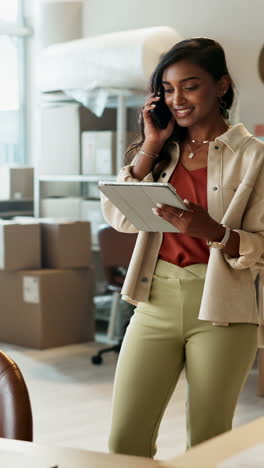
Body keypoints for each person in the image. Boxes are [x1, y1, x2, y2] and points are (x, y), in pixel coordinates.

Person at [101, 37, 264, 458]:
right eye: (168, 89)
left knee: (206, 443)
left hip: (222, 310)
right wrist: (150, 146)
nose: (178, 99)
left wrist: (214, 231)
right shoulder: (161, 153)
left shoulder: (255, 158)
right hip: (154, 301)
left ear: (222, 85)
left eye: (190, 86)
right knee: (124, 441)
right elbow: (119, 218)